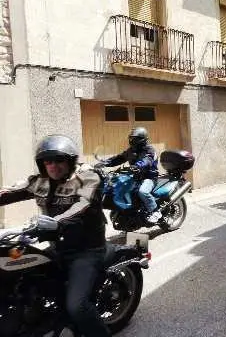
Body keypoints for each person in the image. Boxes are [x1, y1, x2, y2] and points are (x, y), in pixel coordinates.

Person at [0, 135, 111, 337]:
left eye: (58, 160)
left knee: (76, 306)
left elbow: (82, 206)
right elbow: (8, 192)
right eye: (48, 161)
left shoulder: (87, 178)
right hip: (57, 247)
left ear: (70, 161)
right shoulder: (38, 182)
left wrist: (57, 222)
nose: (52, 165)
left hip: (86, 251)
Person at [95, 127, 161, 224]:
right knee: (116, 185)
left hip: (149, 178)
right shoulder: (131, 150)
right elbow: (119, 158)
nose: (131, 141)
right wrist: (104, 163)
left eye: (134, 139)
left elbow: (147, 160)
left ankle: (155, 211)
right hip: (135, 177)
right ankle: (127, 211)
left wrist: (137, 166)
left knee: (143, 192)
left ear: (141, 139)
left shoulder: (149, 150)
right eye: (131, 138)